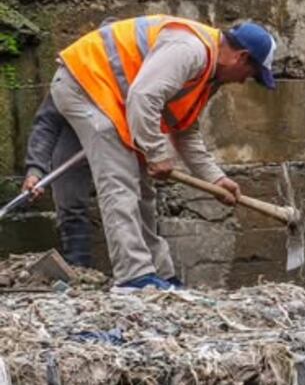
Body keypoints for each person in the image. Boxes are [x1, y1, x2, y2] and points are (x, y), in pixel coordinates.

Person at [49, 15, 278, 292]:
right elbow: (144, 97)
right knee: (120, 180)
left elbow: (185, 131)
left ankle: (159, 274)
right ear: (241, 57)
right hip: (84, 85)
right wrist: (156, 153)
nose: (243, 82)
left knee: (143, 190)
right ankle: (132, 276)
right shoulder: (190, 50)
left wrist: (216, 179)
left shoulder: (208, 73)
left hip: (115, 98)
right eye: (250, 75)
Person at [20, 94, 94, 268]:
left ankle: (139, 272)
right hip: (76, 130)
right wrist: (35, 171)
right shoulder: (69, 81)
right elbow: (47, 123)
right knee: (70, 202)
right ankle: (79, 268)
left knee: (128, 202)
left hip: (125, 130)